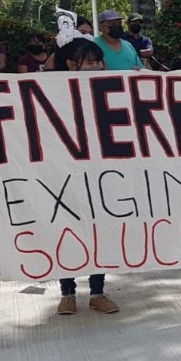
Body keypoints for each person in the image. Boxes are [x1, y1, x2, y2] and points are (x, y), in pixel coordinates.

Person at [54, 38, 120, 315]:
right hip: (62, 174)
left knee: (98, 231)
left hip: (98, 173)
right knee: (64, 231)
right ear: (71, 65)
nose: (98, 67)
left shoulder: (105, 91)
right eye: (91, 62)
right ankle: (67, 292)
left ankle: (97, 291)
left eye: (98, 61)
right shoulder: (52, 91)